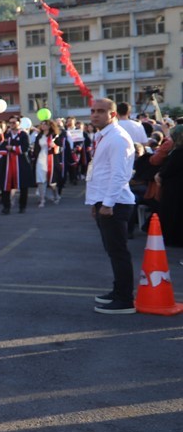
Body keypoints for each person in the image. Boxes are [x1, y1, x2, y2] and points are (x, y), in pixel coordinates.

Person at [86, 99, 137, 314]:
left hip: (115, 203)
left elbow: (119, 174)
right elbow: (99, 172)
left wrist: (107, 204)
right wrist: (94, 202)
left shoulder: (117, 138)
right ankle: (118, 292)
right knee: (113, 251)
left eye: (101, 111)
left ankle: (125, 300)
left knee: (118, 252)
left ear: (113, 114)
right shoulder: (103, 136)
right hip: (104, 201)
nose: (95, 115)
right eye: (93, 111)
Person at [0, 117, 33, 214]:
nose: (12, 124)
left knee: (23, 186)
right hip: (7, 163)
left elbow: (26, 147)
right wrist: (0, 154)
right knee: (6, 186)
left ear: (19, 123)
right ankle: (6, 207)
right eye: (10, 122)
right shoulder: (7, 135)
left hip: (20, 163)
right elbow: (1, 144)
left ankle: (22, 206)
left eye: (14, 122)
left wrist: (12, 147)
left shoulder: (23, 134)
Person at [31, 120, 62, 207]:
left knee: (52, 182)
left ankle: (56, 196)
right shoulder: (39, 136)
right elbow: (36, 148)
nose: (43, 126)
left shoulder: (54, 136)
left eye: (45, 124)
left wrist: (55, 146)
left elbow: (61, 147)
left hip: (50, 160)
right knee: (40, 180)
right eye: (42, 124)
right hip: (40, 159)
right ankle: (42, 200)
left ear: (50, 126)